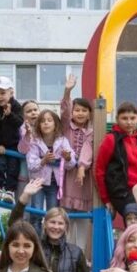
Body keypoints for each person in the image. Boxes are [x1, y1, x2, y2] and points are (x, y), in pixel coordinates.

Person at [12, 180, 91, 272]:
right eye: (52, 222)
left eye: (60, 223)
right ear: (45, 224)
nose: (56, 227)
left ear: (66, 227)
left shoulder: (75, 253)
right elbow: (15, 228)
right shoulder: (35, 248)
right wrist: (24, 198)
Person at [95, 102, 137, 226]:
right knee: (134, 220)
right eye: (124, 118)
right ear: (117, 120)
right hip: (123, 192)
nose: (129, 122)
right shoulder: (111, 139)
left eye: (132, 118)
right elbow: (100, 170)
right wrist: (106, 199)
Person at [25, 109, 75, 232]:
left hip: (54, 184)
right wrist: (44, 160)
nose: (46, 123)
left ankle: (49, 240)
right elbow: (31, 164)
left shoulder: (62, 140)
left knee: (52, 214)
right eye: (42, 121)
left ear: (55, 124)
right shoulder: (35, 141)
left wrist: (68, 158)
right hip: (38, 183)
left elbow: (71, 163)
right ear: (38, 125)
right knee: (36, 212)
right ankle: (35, 240)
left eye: (49, 120)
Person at [59, 75, 94, 214]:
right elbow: (65, 112)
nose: (80, 113)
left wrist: (82, 166)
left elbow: (88, 148)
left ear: (89, 114)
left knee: (82, 215)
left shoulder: (90, 132)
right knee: (65, 212)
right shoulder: (66, 127)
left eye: (84, 111)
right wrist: (67, 91)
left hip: (83, 174)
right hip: (68, 172)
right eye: (77, 110)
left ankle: (81, 236)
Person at [0, 77, 23, 204]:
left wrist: (9, 115)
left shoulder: (16, 106)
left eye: (3, 93)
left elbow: (20, 122)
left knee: (13, 167)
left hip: (13, 145)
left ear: (11, 93)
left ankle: (10, 190)